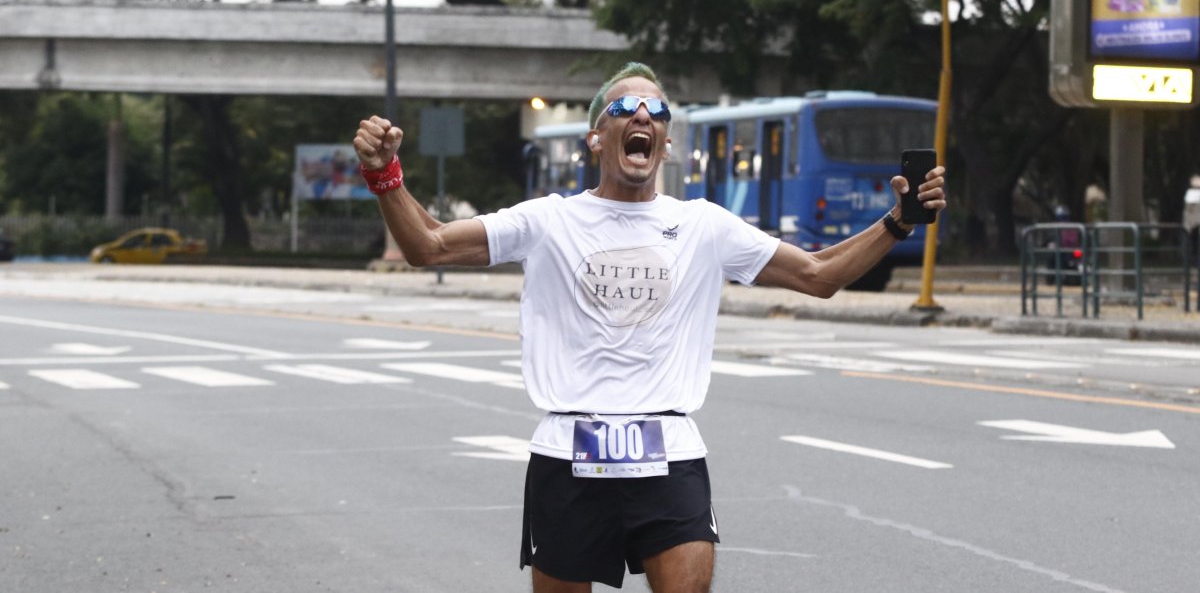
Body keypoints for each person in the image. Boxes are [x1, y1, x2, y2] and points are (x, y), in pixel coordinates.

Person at [352, 62, 947, 592]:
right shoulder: (549, 220)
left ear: (663, 144)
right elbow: (427, 246)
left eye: (657, 110)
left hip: (669, 455)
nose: (643, 115)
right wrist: (385, 174)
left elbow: (818, 274)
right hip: (569, 452)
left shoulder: (703, 226)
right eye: (624, 108)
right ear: (596, 138)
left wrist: (898, 222)